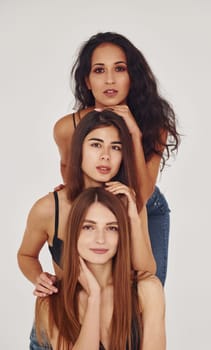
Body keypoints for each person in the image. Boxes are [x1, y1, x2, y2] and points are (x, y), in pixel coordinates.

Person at [17, 110, 155, 349]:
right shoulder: (49, 207)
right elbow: (26, 255)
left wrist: (132, 215)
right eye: (96, 145)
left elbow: (145, 272)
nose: (105, 156)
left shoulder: (129, 203)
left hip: (114, 323)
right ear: (79, 149)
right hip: (63, 323)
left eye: (116, 147)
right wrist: (40, 277)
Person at [53, 32, 180, 286]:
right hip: (98, 207)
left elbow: (141, 196)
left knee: (145, 290)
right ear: (87, 81)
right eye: (99, 70)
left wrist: (132, 132)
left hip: (144, 207)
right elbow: (71, 175)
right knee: (71, 291)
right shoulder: (68, 127)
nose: (109, 79)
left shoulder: (153, 124)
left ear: (131, 76)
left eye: (119, 68)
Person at [35, 187, 166, 350]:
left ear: (122, 235)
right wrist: (94, 297)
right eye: (88, 227)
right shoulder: (51, 302)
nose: (100, 239)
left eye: (112, 228)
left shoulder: (148, 290)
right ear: (73, 232)